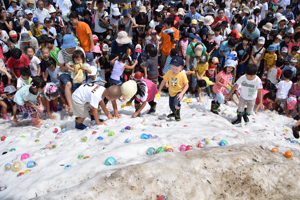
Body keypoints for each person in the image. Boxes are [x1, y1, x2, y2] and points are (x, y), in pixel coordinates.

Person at [57, 34, 85, 115]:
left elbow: (84, 63)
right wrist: (70, 67)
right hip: (65, 72)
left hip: (78, 72)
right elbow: (61, 67)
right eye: (68, 47)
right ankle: (70, 106)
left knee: (79, 85)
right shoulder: (61, 53)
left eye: (72, 47)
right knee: (68, 84)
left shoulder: (80, 50)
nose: (70, 49)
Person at [157, 56, 189, 121]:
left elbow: (186, 85)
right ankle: (174, 113)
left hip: (179, 92)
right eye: (172, 68)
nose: (174, 70)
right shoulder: (169, 72)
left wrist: (182, 93)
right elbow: (163, 81)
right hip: (171, 92)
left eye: (176, 69)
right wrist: (159, 90)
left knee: (176, 103)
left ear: (181, 67)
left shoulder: (182, 74)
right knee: (171, 106)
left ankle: (177, 115)